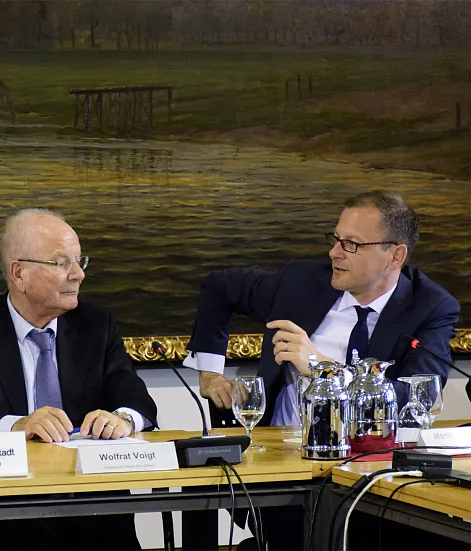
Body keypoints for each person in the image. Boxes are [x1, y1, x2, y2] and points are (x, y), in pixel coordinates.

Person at [184, 190, 459, 550]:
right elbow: (218, 286)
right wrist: (209, 373)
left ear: (395, 255)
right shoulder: (300, 283)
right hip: (284, 476)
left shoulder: (430, 307)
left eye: (353, 244)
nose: (335, 252)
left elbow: (416, 396)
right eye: (335, 239)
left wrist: (321, 370)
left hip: (371, 481)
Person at [0, 208, 157, 550]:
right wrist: (18, 425)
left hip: (94, 513)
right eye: (61, 263)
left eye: (79, 260)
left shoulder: (97, 327)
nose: (79, 275)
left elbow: (138, 401)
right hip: (6, 514)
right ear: (18, 273)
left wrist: (122, 419)